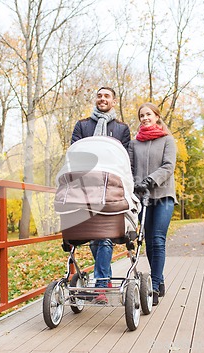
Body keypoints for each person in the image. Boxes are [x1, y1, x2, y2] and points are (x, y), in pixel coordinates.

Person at [70, 86, 131, 304]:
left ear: (114, 101)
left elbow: (124, 158)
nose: (102, 99)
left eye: (107, 96)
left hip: (110, 188)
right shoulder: (82, 125)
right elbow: (75, 153)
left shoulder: (122, 129)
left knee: (104, 237)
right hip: (86, 188)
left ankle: (102, 285)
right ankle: (101, 282)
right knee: (95, 237)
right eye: (99, 95)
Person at [129, 102, 176, 306]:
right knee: (147, 240)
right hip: (143, 198)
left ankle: (154, 286)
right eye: (141, 115)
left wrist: (150, 180)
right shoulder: (134, 144)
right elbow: (129, 168)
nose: (145, 118)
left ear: (157, 116)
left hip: (164, 195)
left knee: (158, 239)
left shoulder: (167, 140)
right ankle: (160, 279)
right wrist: (135, 185)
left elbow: (168, 166)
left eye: (148, 114)